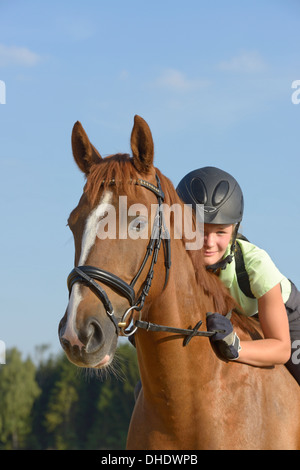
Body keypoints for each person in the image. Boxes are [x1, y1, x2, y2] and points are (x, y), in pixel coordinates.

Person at [176, 166, 300, 386]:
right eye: (201, 231)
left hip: (286, 318)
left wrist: (236, 346)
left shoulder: (255, 264)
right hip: (230, 318)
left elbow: (281, 348)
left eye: (221, 232)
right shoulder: (177, 263)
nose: (210, 243)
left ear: (234, 230)